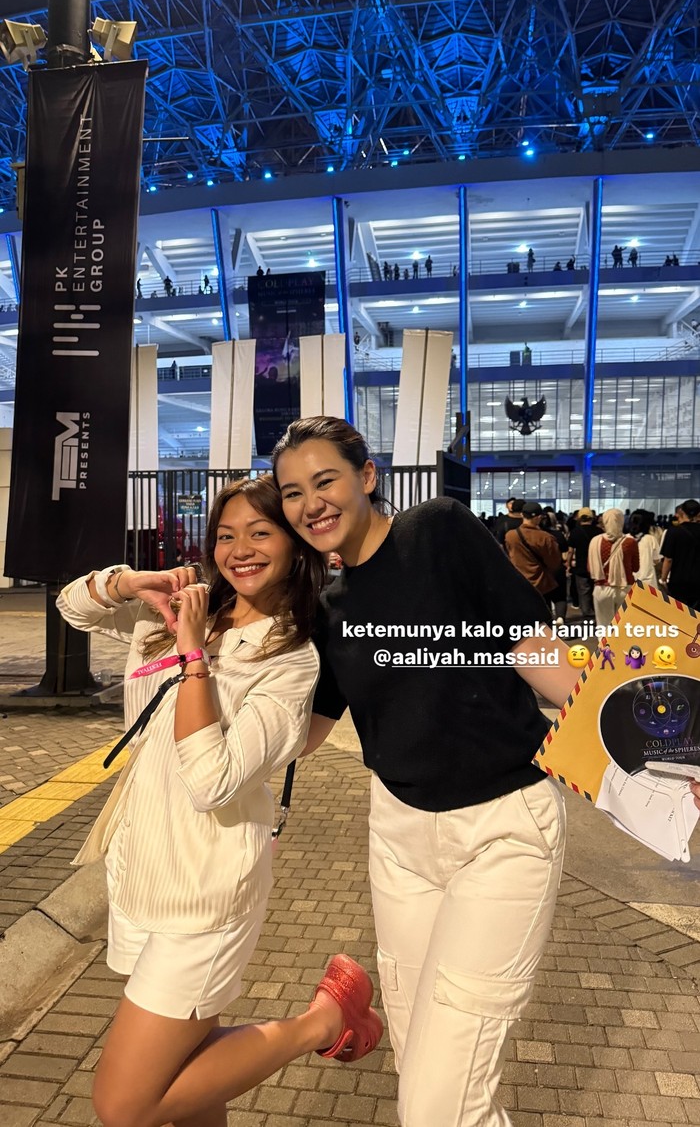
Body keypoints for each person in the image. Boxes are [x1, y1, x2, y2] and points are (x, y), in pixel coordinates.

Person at [272, 417, 578, 1127]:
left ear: (366, 476)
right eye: (292, 493)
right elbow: (305, 732)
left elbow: (534, 649)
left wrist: (652, 745)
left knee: (441, 1102)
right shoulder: (331, 606)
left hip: (502, 829)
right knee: (421, 1067)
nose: (311, 504)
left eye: (325, 481)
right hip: (399, 841)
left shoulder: (438, 530)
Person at [56, 476, 382, 1127]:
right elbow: (73, 607)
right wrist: (135, 584)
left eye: (261, 533)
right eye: (226, 535)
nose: (240, 549)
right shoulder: (181, 608)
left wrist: (193, 657)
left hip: (203, 891)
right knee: (188, 1072)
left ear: (295, 546)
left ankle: (323, 1021)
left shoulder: (289, 660)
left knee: (125, 1103)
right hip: (142, 869)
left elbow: (211, 780)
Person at [587, 507, 639, 627]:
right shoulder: (630, 542)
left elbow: (590, 568)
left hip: (602, 588)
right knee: (624, 626)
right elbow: (636, 568)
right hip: (625, 587)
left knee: (603, 626)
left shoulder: (595, 541)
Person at [505, 502, 563, 609]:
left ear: (522, 515)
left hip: (520, 583)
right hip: (542, 584)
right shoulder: (546, 538)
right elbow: (555, 563)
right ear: (539, 517)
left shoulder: (510, 535)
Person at [660, 499, 700, 609]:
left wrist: (663, 579)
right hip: (698, 581)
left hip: (678, 581)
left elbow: (668, 559)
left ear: (682, 512)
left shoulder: (673, 531)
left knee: (679, 612)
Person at [565, 507, 597, 620]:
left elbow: (570, 551)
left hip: (581, 565)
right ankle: (596, 609)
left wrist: (568, 564)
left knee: (583, 591)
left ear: (579, 518)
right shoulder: (599, 531)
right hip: (596, 566)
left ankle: (587, 612)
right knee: (596, 589)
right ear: (592, 518)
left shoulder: (575, 532)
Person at [629, 509, 661, 589]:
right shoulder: (651, 539)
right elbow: (657, 560)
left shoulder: (624, 538)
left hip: (629, 580)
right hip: (648, 581)